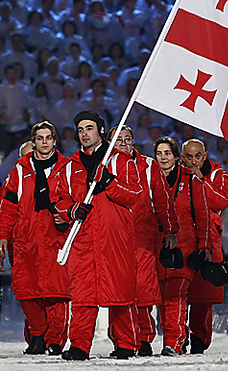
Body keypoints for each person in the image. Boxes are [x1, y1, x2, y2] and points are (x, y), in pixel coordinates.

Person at [54, 111, 142, 360]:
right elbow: (59, 199)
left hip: (114, 237)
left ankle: (126, 343)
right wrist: (72, 210)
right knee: (82, 294)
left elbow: (134, 193)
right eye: (80, 129)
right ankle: (80, 345)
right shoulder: (70, 166)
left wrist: (110, 183)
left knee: (119, 291)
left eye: (89, 128)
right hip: (83, 238)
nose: (84, 133)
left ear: (101, 131)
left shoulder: (120, 161)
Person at [0, 121, 71, 355]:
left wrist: (66, 215)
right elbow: (8, 207)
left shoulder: (67, 168)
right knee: (26, 292)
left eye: (48, 137)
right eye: (40, 138)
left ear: (54, 141)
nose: (45, 142)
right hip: (26, 239)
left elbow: (76, 200)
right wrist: (2, 235)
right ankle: (38, 333)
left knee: (57, 294)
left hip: (56, 239)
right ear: (34, 141)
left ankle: (55, 340)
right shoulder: (19, 170)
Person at [108, 125, 177, 357]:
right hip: (114, 238)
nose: (124, 143)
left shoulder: (148, 165)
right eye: (119, 140)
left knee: (144, 290)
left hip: (143, 237)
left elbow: (163, 198)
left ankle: (145, 338)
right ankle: (120, 339)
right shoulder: (103, 165)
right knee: (117, 291)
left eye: (127, 139)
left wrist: (170, 230)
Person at [153, 136, 211, 356]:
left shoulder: (191, 180)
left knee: (175, 296)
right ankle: (178, 334)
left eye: (167, 153)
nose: (163, 158)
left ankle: (173, 341)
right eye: (159, 154)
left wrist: (205, 246)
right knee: (160, 298)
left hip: (184, 246)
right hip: (157, 247)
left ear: (176, 157)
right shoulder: (150, 178)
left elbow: (203, 215)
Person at [181, 138, 228, 354]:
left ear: (205, 155)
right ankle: (178, 337)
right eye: (189, 157)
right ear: (182, 157)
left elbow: (221, 201)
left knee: (203, 298)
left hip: (209, 242)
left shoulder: (219, 175)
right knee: (179, 294)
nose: (193, 161)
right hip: (184, 239)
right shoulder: (176, 175)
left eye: (197, 156)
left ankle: (200, 339)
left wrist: (201, 181)